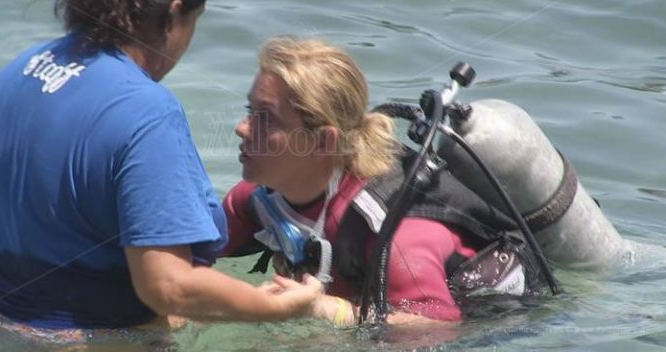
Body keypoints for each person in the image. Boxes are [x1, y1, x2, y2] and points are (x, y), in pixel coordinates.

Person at [0, 0, 321, 342]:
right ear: (174, 13)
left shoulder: (26, 66)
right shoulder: (147, 112)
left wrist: (48, 263)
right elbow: (168, 287)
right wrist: (280, 307)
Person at [222, 37, 548, 327]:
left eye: (266, 119)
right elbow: (187, 256)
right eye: (250, 110)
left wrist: (326, 310)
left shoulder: (397, 236)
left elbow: (437, 328)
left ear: (323, 143)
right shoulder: (257, 199)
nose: (242, 127)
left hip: (498, 324)